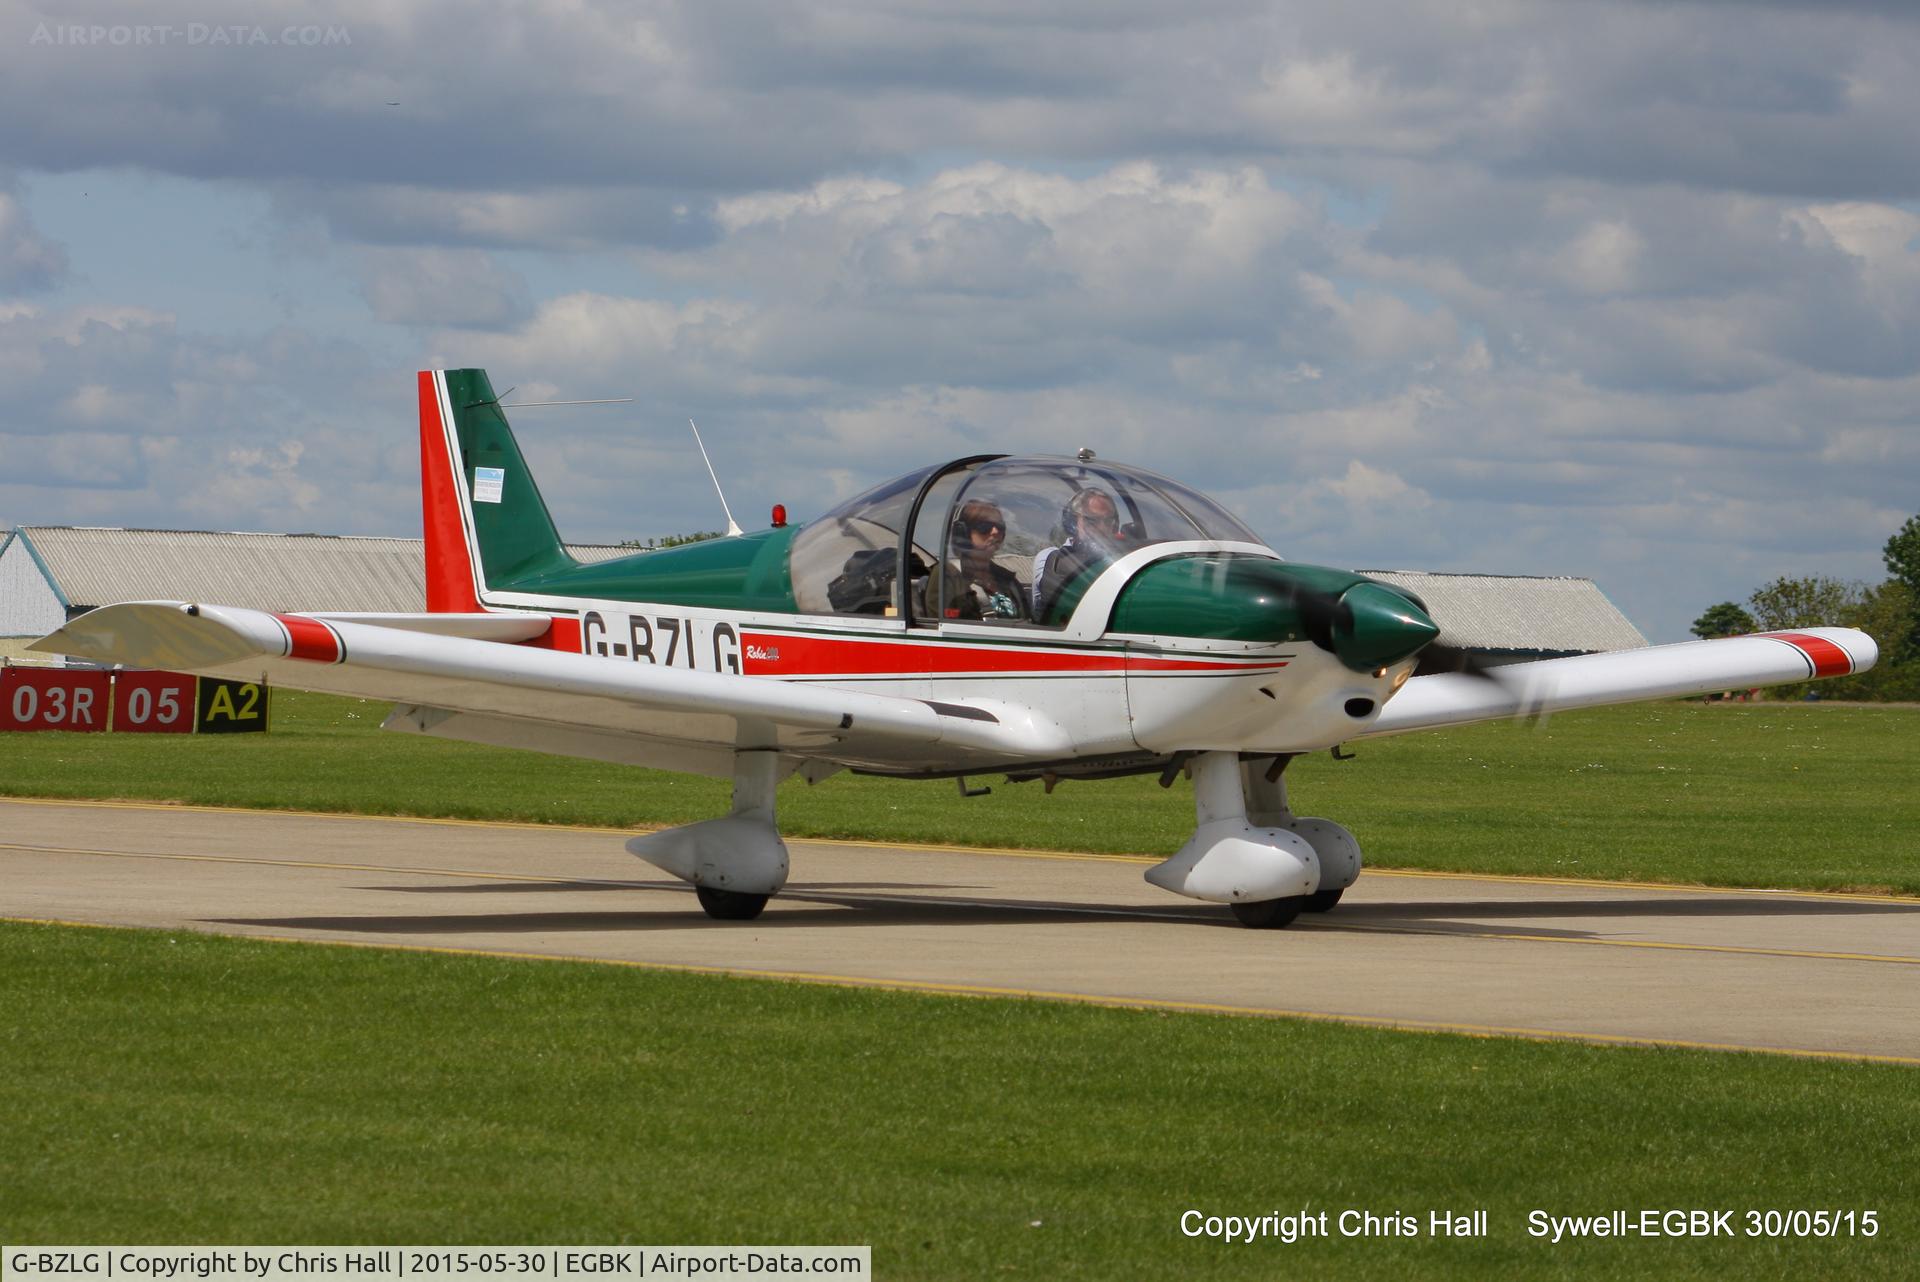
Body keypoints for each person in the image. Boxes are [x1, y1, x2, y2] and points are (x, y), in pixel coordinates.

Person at [1031, 487, 1123, 622]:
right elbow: (1038, 614)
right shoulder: (1048, 559)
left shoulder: (1123, 561)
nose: (1102, 528)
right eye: (1092, 521)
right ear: (1072, 522)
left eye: (1108, 521)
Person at [943, 500, 1027, 620]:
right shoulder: (947, 576)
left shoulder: (1008, 580)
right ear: (963, 532)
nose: (995, 532)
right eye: (985, 527)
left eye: (1000, 526)